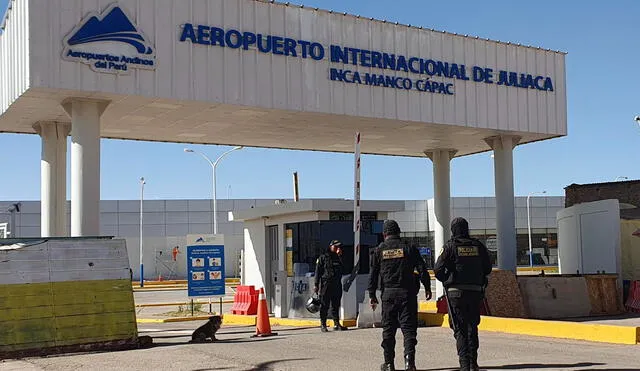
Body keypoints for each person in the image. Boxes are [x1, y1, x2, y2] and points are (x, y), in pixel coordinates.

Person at [368, 220, 432, 371]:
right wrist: (427, 287)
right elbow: (422, 269)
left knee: (388, 330)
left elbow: (373, 275)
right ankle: (409, 363)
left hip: (388, 295)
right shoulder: (409, 248)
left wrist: (372, 294)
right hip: (407, 294)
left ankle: (389, 364)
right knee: (409, 330)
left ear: (385, 234)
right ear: (399, 232)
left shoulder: (379, 250)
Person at [434, 217, 492, 371]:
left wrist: (447, 280)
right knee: (472, 327)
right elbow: (488, 268)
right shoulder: (478, 246)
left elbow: (438, 270)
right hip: (475, 293)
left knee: (460, 329)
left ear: (453, 230)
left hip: (455, 294)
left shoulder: (450, 247)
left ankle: (464, 365)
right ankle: (473, 363)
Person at [313, 240, 348, 332]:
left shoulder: (339, 257)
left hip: (336, 284)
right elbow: (317, 272)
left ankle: (336, 324)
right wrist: (316, 285)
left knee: (336, 305)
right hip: (326, 284)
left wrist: (340, 256)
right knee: (324, 305)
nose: (338, 248)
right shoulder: (323, 257)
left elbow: (346, 269)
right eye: (336, 247)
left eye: (339, 247)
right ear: (331, 246)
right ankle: (323, 324)